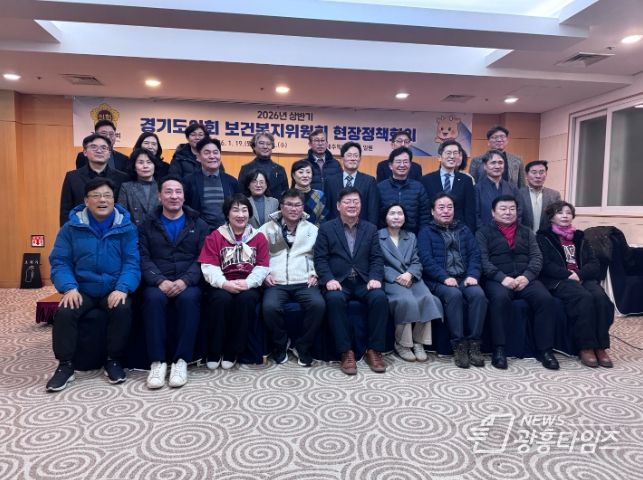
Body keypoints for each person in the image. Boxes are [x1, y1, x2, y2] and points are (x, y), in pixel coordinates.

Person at [46, 178, 140, 392]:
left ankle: (113, 360)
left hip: (113, 287)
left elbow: (132, 262)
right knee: (65, 312)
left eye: (107, 195)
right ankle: (65, 365)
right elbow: (60, 261)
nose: (102, 200)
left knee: (122, 308)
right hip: (82, 288)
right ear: (86, 201)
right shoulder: (71, 228)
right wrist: (69, 287)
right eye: (96, 196)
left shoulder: (126, 228)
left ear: (114, 200)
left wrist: (122, 288)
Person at [139, 176, 209, 388]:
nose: (174, 196)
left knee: (189, 300)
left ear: (184, 197)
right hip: (157, 281)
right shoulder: (147, 224)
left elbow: (203, 257)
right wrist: (159, 280)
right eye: (168, 191)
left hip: (188, 281)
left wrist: (185, 281)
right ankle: (158, 362)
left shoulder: (199, 223)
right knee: (153, 300)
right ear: (159, 196)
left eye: (178, 192)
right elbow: (143, 257)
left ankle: (181, 361)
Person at [476, 195, 559, 370]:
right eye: (503, 208)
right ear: (493, 212)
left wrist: (527, 276)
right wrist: (502, 278)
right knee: (499, 299)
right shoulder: (483, 232)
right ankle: (499, 349)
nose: (508, 212)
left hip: (525, 278)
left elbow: (537, 257)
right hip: (498, 279)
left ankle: (545, 350)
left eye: (512, 209)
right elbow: (483, 261)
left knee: (545, 299)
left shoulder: (527, 232)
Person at [314, 187, 388, 375]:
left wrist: (375, 278)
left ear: (361, 205)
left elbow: (377, 258)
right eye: (347, 202)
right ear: (338, 206)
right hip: (339, 281)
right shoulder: (326, 228)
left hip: (364, 281)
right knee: (334, 299)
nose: (352, 205)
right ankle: (346, 352)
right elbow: (320, 259)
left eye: (356, 201)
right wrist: (328, 279)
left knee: (379, 298)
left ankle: (374, 350)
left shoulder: (370, 229)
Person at [537, 201, 614, 368]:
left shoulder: (580, 236)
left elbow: (594, 263)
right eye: (560, 212)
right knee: (583, 297)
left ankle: (600, 347)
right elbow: (546, 265)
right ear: (551, 217)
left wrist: (579, 274)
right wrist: (568, 275)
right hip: (559, 279)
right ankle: (586, 346)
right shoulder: (543, 236)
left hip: (582, 277)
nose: (565, 216)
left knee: (601, 298)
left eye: (568, 213)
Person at [199, 194, 269, 370]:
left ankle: (232, 350)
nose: (241, 215)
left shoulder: (259, 237)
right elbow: (209, 266)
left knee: (246, 300)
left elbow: (262, 266)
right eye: (235, 210)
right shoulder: (216, 236)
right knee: (221, 300)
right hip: (222, 283)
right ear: (227, 214)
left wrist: (248, 283)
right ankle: (215, 350)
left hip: (248, 284)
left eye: (245, 210)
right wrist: (224, 284)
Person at [418, 193, 488, 368]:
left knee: (478, 295)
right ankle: (459, 345)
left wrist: (473, 275)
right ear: (433, 211)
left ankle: (474, 344)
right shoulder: (426, 232)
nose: (446, 211)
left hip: (464, 277)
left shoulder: (464, 230)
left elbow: (475, 255)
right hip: (438, 280)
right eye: (441, 207)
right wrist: (444, 277)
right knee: (454, 295)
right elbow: (426, 260)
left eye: (449, 207)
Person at [259, 189, 326, 367]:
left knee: (318, 305)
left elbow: (321, 256)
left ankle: (302, 345)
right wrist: (265, 274)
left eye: (297, 205)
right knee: (269, 307)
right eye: (289, 204)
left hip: (304, 281)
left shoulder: (313, 229)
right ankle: (281, 344)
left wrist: (316, 273)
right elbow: (257, 255)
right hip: (276, 281)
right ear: (281, 206)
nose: (293, 209)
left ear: (303, 207)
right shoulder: (266, 229)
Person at [379, 203, 442, 362]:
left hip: (412, 278)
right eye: (392, 213)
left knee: (427, 298)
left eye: (400, 213)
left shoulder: (411, 236)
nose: (396, 217)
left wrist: (410, 274)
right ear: (385, 217)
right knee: (406, 301)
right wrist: (397, 277)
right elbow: (376, 263)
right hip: (391, 280)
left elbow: (417, 260)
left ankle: (419, 342)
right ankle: (403, 343)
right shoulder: (378, 236)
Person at [60, 133, 129, 226]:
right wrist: (67, 232)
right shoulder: (72, 177)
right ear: (85, 152)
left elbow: (125, 210)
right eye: (94, 147)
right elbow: (65, 211)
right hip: (80, 229)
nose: (99, 151)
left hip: (114, 230)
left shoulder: (122, 178)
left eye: (104, 148)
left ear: (109, 153)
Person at [184, 137, 240, 231]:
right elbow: (185, 208)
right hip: (199, 232)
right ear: (198, 157)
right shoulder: (188, 181)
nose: (212, 156)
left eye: (215, 152)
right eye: (207, 153)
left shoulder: (232, 181)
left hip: (227, 232)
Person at [420, 139, 476, 232]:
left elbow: (470, 211)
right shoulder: (426, 180)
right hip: (433, 230)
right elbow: (424, 210)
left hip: (459, 231)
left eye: (455, 153)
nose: (452, 156)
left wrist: (469, 232)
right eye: (448, 153)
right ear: (439, 157)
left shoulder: (466, 180)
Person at [377, 146, 431, 234]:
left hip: (413, 237)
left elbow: (424, 217)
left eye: (405, 162)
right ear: (390, 166)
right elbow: (376, 215)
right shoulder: (380, 187)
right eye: (398, 162)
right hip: (385, 237)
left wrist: (422, 237)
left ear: (410, 165)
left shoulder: (419, 187)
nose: (402, 165)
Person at [325, 141, 379, 225]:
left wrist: (370, 230)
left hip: (361, 229)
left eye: (356, 156)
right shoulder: (330, 181)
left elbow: (373, 211)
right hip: (335, 228)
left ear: (360, 159)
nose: (353, 158)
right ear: (342, 159)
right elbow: (327, 209)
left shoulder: (369, 181)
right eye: (349, 155)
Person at [475, 150, 523, 229]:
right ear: (485, 166)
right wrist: (484, 233)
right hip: (485, 233)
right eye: (493, 163)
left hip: (510, 233)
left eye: (500, 163)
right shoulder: (477, 189)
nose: (497, 166)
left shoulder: (513, 188)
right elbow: (475, 215)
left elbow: (519, 212)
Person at [117, 148, 162, 226]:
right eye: (140, 162)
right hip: (134, 230)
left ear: (154, 165)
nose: (145, 166)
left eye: (149, 162)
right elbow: (122, 213)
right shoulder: (126, 187)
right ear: (134, 167)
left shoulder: (162, 187)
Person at [238, 132, 288, 199]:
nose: (265, 147)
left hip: (276, 205)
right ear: (254, 146)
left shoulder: (280, 169)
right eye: (261, 143)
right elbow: (241, 195)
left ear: (272, 147)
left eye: (268, 144)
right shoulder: (246, 169)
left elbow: (285, 195)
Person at [519, 160, 562, 233]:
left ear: (546, 174)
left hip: (546, 237)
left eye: (541, 172)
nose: (538, 176)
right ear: (526, 175)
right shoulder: (518, 193)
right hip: (523, 237)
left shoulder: (554, 195)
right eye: (534, 172)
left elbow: (558, 219)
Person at [291, 159, 329, 227]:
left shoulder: (319, 195)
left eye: (308, 172)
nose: (305, 175)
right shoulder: (287, 195)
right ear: (293, 175)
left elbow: (323, 219)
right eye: (301, 172)